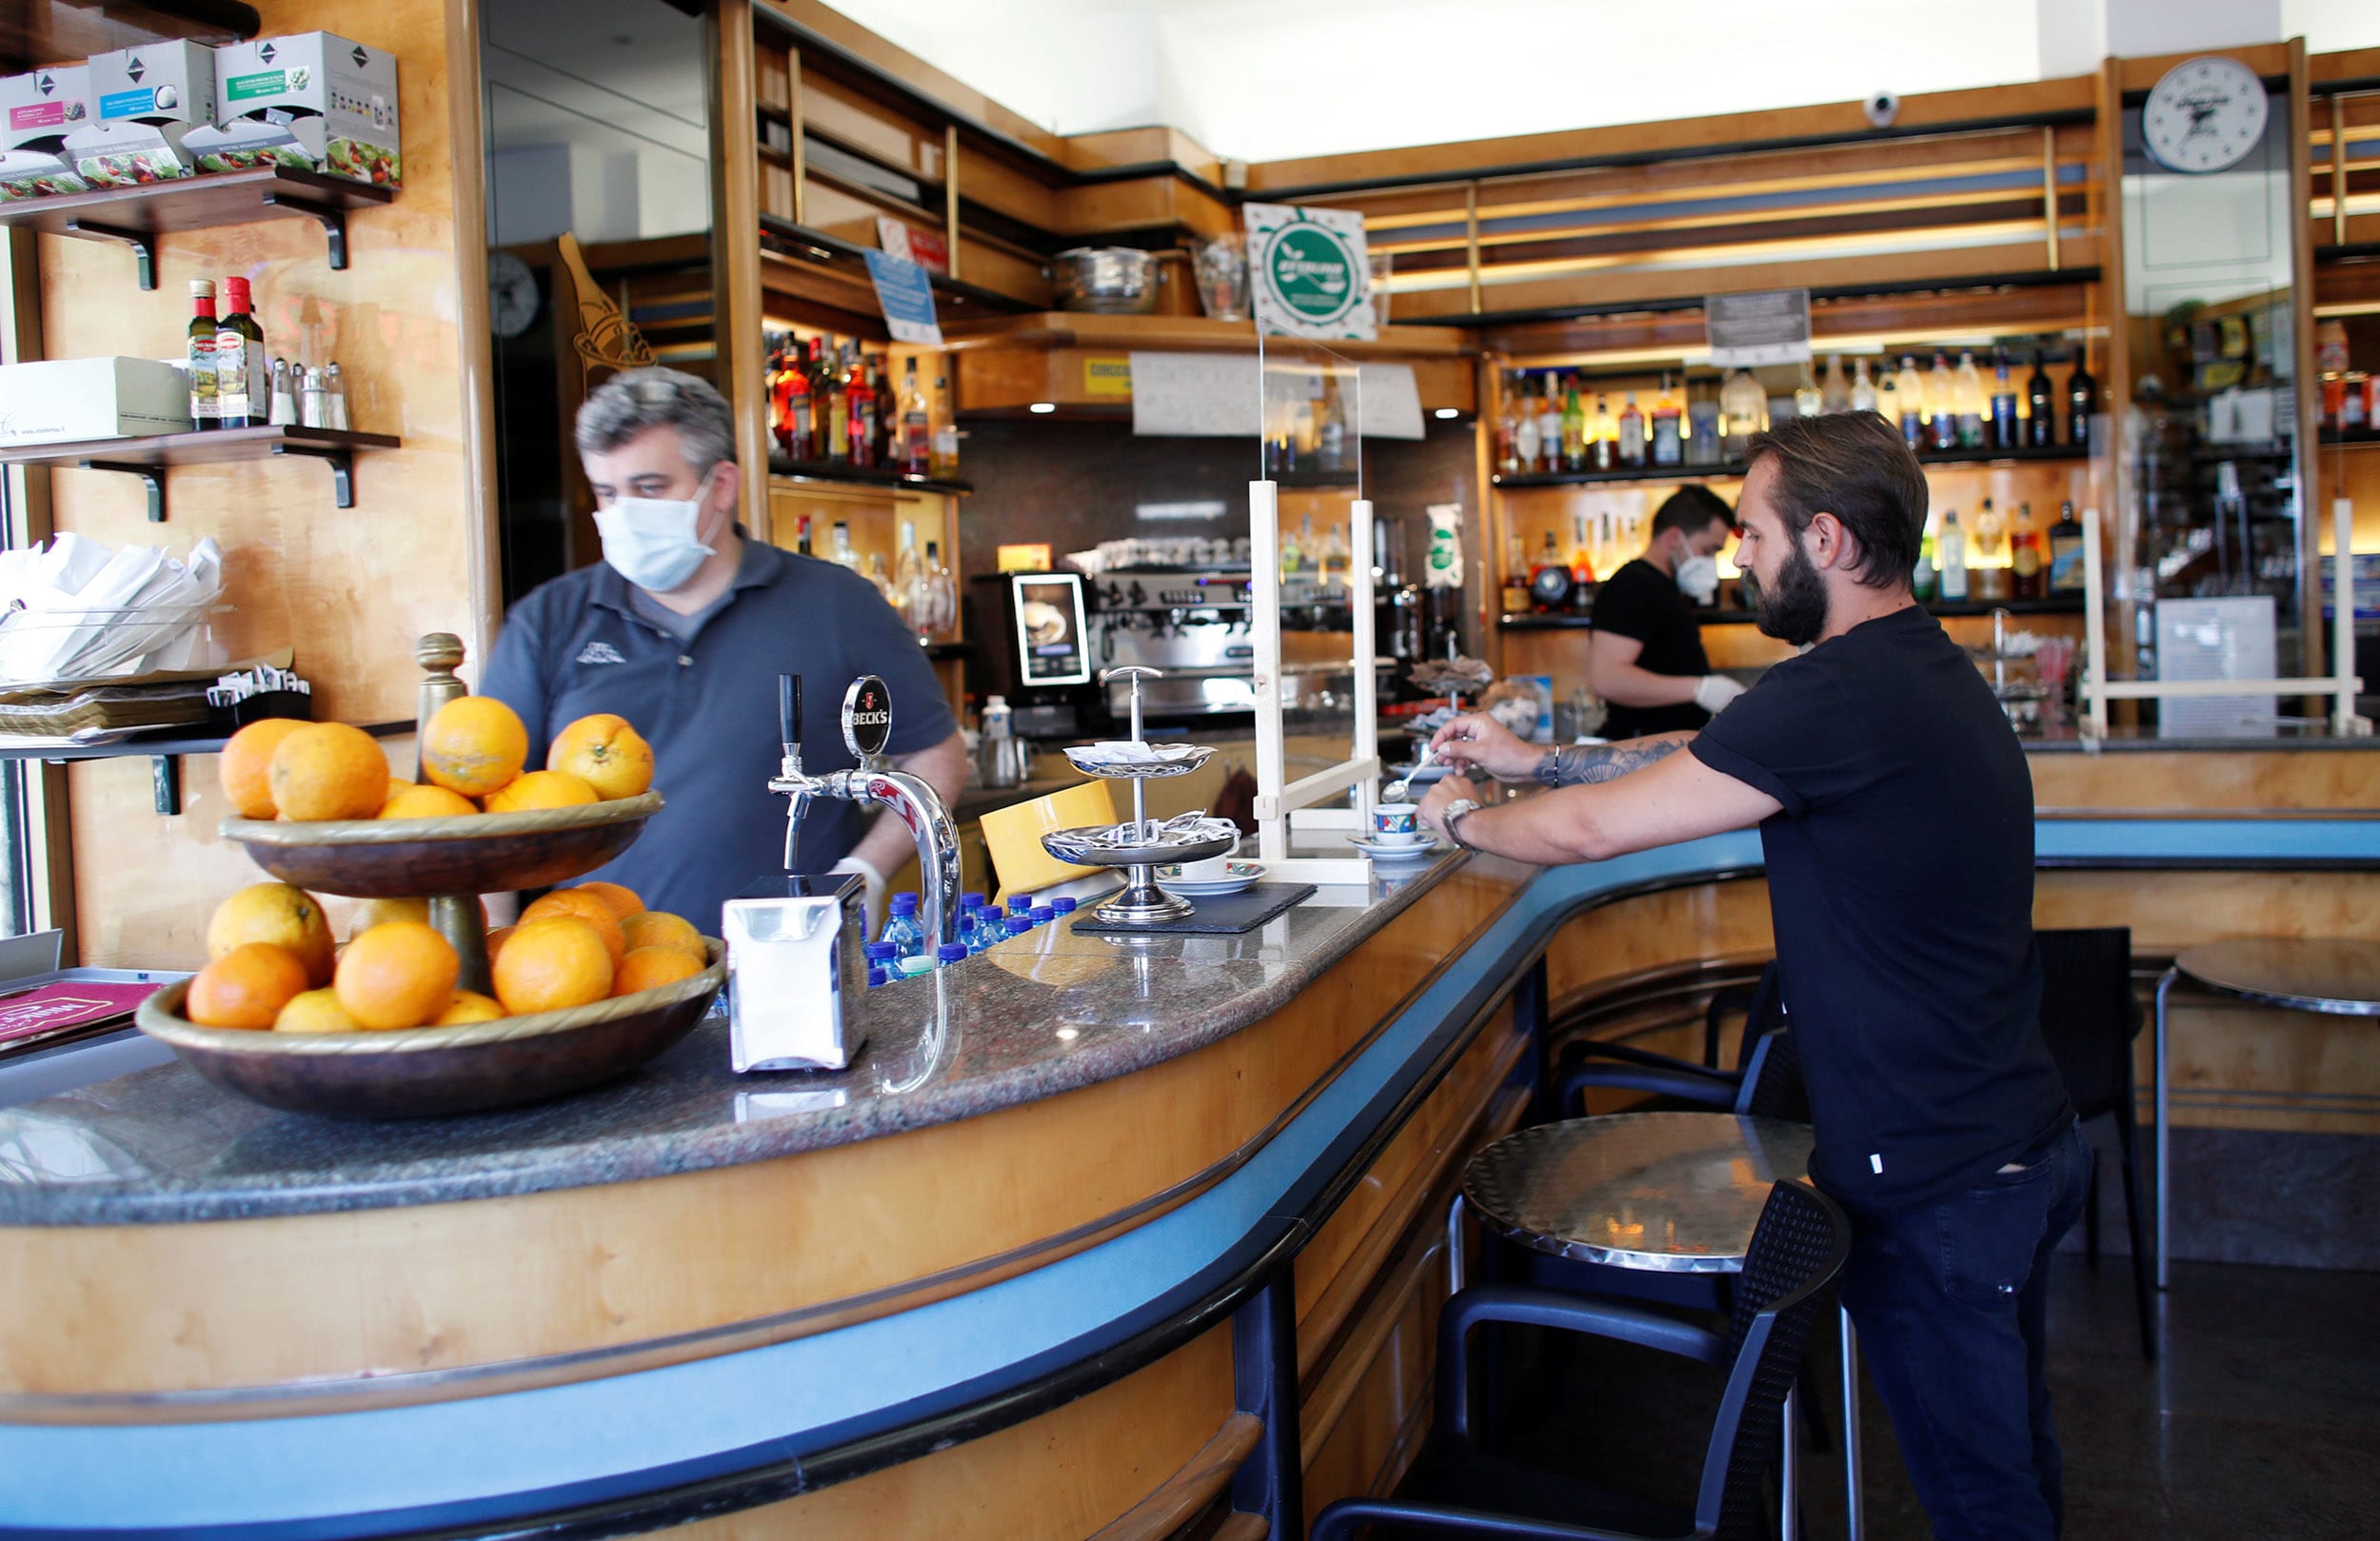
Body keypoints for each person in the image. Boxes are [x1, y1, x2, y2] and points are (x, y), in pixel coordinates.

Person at [1417, 412, 2085, 1541]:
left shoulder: (1845, 691)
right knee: (2007, 1458)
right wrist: (1527, 757)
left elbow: (1589, 833)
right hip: (1994, 1139)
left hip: (1943, 1174)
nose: (1736, 557)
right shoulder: (1889, 667)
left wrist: (1461, 818)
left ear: (1824, 539)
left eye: (1754, 532)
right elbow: (1685, 759)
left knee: (1984, 1498)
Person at [482, 367, 966, 932]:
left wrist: (862, 874)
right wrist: (496, 950)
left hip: (794, 966)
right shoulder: (548, 622)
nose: (623, 513)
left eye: (649, 488)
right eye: (607, 493)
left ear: (722, 486)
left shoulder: (839, 605)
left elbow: (936, 756)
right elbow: (488, 814)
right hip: (602, 977)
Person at [1588, 484, 1745, 740]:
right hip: (1641, 747)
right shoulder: (1632, 585)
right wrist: (1699, 689)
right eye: (1707, 550)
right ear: (1674, 538)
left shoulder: (1664, 587)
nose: (1711, 562)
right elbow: (1607, 679)